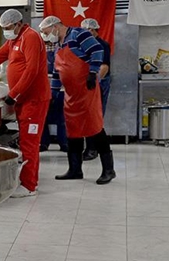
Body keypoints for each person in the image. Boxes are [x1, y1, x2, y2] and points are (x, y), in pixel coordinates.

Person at [0, 9, 50, 198]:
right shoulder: (15, 40)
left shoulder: (30, 37)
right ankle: (26, 181)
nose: (6, 31)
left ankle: (30, 186)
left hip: (34, 100)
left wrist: (13, 94)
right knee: (25, 141)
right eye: (4, 28)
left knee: (29, 143)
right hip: (24, 99)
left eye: (8, 28)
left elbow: (31, 71)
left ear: (18, 24)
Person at [39, 16, 116, 185]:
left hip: (87, 90)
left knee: (94, 127)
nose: (46, 36)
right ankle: (75, 169)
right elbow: (58, 72)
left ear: (56, 26)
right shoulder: (59, 45)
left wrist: (92, 72)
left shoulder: (78, 34)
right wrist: (53, 93)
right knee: (72, 130)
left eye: (46, 33)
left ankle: (109, 170)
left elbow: (97, 50)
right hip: (71, 94)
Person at [79, 18, 112, 161]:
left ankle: (93, 149)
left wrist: (95, 81)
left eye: (86, 31)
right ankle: (91, 148)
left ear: (93, 30)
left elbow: (104, 66)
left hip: (98, 83)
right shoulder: (86, 44)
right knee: (87, 116)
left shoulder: (101, 45)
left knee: (94, 116)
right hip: (88, 83)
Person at [40, 41, 69, 153]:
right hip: (43, 87)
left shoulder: (62, 45)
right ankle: (43, 142)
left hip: (60, 86)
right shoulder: (38, 45)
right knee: (43, 117)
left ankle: (64, 142)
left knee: (62, 117)